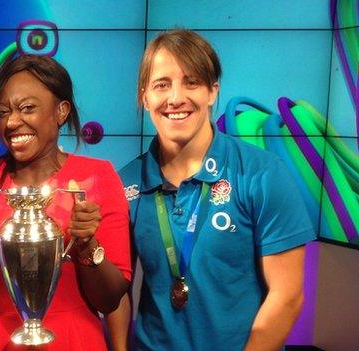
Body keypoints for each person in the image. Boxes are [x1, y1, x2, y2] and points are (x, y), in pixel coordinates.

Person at [113, 29, 315, 350]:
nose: (176, 98)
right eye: (162, 84)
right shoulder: (125, 184)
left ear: (212, 91)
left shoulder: (262, 174)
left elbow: (287, 296)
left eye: (191, 82)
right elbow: (116, 292)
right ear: (145, 96)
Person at [0, 54, 131, 350]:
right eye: (3, 112)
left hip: (74, 340)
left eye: (27, 108)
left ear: (61, 111)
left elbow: (109, 300)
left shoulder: (98, 177)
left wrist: (87, 244)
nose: (13, 122)